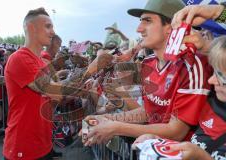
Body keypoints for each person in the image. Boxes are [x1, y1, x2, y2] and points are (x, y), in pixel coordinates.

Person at [81, 0, 213, 147]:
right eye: (140, 21)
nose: (139, 29)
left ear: (170, 27)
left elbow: (177, 131)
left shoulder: (192, 65)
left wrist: (115, 127)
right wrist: (108, 119)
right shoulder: (148, 62)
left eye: (147, 21)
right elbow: (149, 112)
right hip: (149, 150)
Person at [134, 36, 226, 160]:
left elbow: (191, 146)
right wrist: (161, 142)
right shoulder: (212, 104)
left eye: (221, 76)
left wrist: (200, 157)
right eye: (214, 72)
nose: (211, 80)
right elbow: (195, 147)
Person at [3, 8, 59, 160]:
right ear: (31, 28)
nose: (53, 32)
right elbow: (54, 91)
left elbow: (55, 95)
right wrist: (89, 70)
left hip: (43, 144)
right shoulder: (19, 58)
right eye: (48, 26)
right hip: (23, 147)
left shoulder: (40, 60)